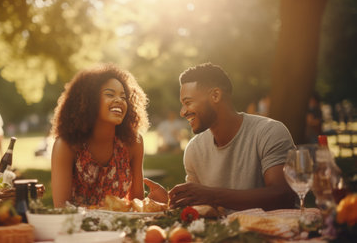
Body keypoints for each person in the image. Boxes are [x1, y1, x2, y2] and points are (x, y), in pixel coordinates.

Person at [147, 63, 296, 211]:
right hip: (222, 234)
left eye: (188, 102)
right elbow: (198, 205)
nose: (182, 112)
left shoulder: (269, 132)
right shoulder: (194, 149)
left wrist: (214, 196)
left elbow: (283, 196)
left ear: (215, 95)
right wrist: (169, 200)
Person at [50, 64, 149, 207]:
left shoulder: (134, 143)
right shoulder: (66, 146)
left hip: (121, 228)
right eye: (110, 94)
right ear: (90, 100)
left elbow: (137, 205)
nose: (119, 100)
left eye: (123, 97)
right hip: (77, 228)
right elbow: (61, 209)